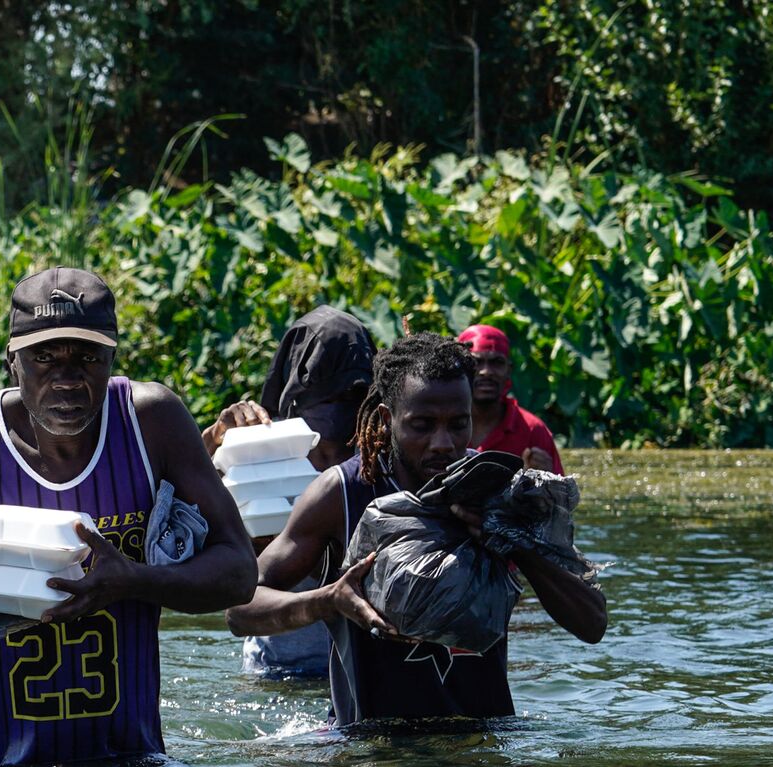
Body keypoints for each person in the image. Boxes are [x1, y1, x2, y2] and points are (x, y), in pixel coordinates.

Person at [0, 267, 257, 765]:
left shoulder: (151, 422)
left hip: (133, 754)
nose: (67, 380)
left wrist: (134, 580)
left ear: (112, 358)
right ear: (12, 361)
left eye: (87, 358)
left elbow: (240, 572)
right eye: (44, 358)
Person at [223, 333, 606, 727]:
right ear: (388, 419)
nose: (443, 443)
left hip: (481, 741)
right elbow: (240, 608)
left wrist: (515, 541)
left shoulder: (497, 488)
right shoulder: (343, 494)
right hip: (370, 743)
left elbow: (592, 624)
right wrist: (327, 601)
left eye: (459, 424)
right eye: (422, 425)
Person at [204, 305, 376, 679]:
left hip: (358, 673)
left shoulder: (380, 458)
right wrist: (214, 442)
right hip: (277, 672)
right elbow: (179, 521)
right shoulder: (256, 453)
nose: (332, 454)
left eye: (351, 403)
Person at [459, 324, 564, 474]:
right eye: (476, 362)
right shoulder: (441, 424)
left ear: (509, 370)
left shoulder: (532, 430)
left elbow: (565, 496)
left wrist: (545, 479)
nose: (486, 372)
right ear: (460, 368)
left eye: (497, 363)